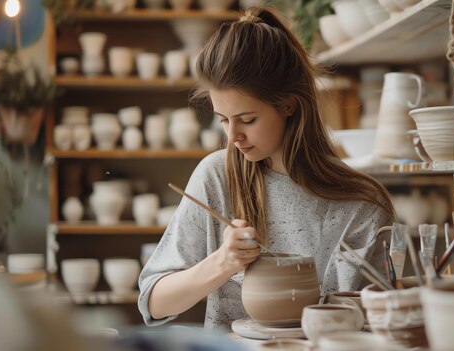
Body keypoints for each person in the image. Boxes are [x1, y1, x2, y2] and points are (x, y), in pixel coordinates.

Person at [138, 7, 395, 330]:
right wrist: (223, 262)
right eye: (222, 120)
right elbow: (153, 304)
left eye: (247, 120)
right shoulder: (217, 176)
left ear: (288, 105)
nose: (232, 136)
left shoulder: (362, 205)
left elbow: (382, 323)